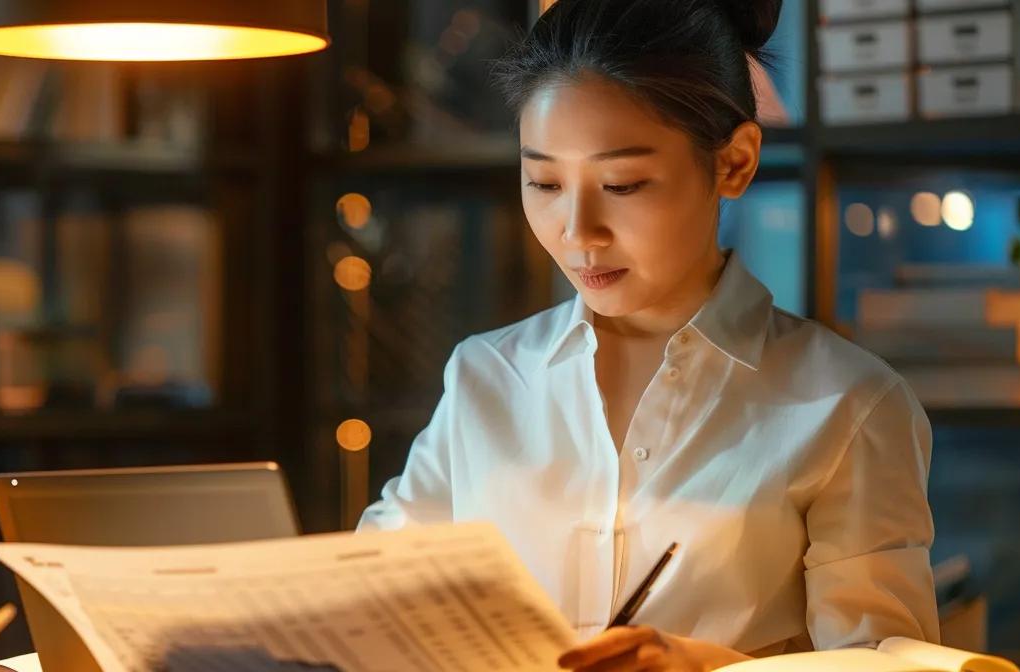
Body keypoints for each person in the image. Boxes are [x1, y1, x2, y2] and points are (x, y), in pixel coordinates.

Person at [356, 1, 938, 670]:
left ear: (735, 164)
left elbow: (890, 660)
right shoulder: (486, 375)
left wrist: (703, 665)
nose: (577, 230)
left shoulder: (847, 405)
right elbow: (380, 588)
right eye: (543, 181)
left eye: (622, 184)